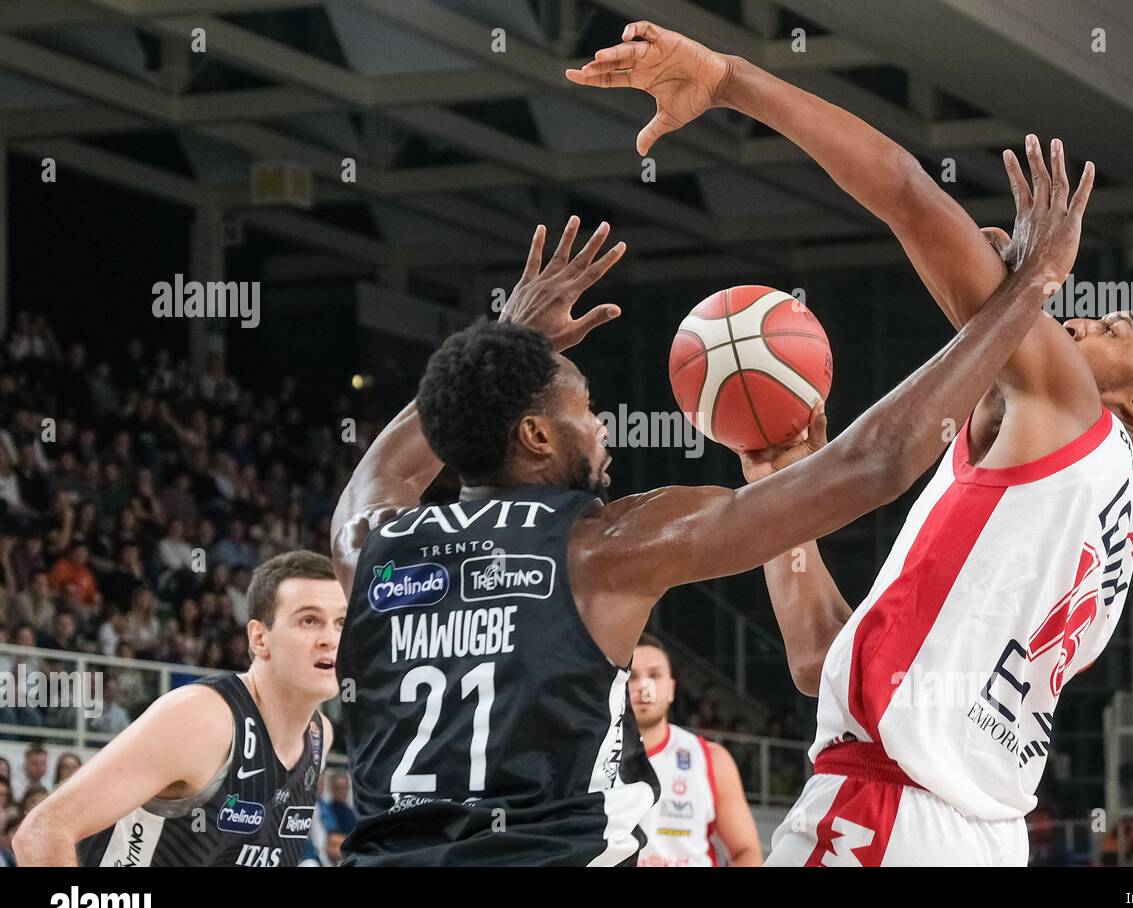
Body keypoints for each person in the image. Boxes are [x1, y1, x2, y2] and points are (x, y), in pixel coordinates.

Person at [568, 21, 1133, 866]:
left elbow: (904, 193)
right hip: (971, 835)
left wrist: (731, 81)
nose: (1078, 318)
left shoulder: (1073, 410)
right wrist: (778, 476)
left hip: (884, 818)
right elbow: (823, 662)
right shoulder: (1099, 532)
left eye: (1110, 327)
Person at [330, 168, 1094, 865]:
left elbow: (386, 468)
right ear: (534, 436)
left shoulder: (369, 546)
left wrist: (509, 340)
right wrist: (1028, 288)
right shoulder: (602, 547)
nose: (602, 428)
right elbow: (876, 463)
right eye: (585, 411)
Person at [13, 550, 342, 867]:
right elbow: (41, 834)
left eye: (341, 622)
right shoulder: (204, 719)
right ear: (259, 638)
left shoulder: (319, 735)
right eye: (309, 620)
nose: (330, 638)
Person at [630, 634, 760, 866]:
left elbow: (746, 851)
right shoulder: (588, 758)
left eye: (654, 675)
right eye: (632, 676)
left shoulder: (711, 758)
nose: (644, 686)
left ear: (671, 689)